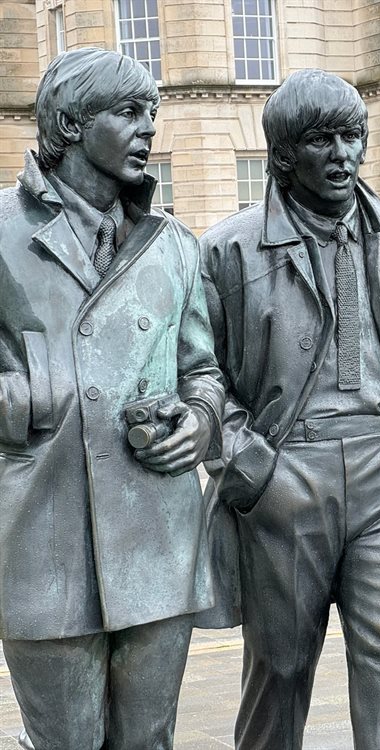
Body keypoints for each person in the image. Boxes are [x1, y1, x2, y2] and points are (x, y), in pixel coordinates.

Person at [199, 69, 380, 750]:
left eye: (352, 136)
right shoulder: (228, 250)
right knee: (279, 673)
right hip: (287, 475)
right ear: (283, 155)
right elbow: (202, 376)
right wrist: (254, 472)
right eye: (322, 140)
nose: (343, 154)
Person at [0, 48, 224, 750]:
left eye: (151, 114)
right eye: (128, 113)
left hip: (157, 536)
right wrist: (26, 393)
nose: (148, 129)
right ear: (69, 124)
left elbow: (204, 371)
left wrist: (199, 423)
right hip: (43, 536)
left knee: (149, 742)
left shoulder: (175, 247)